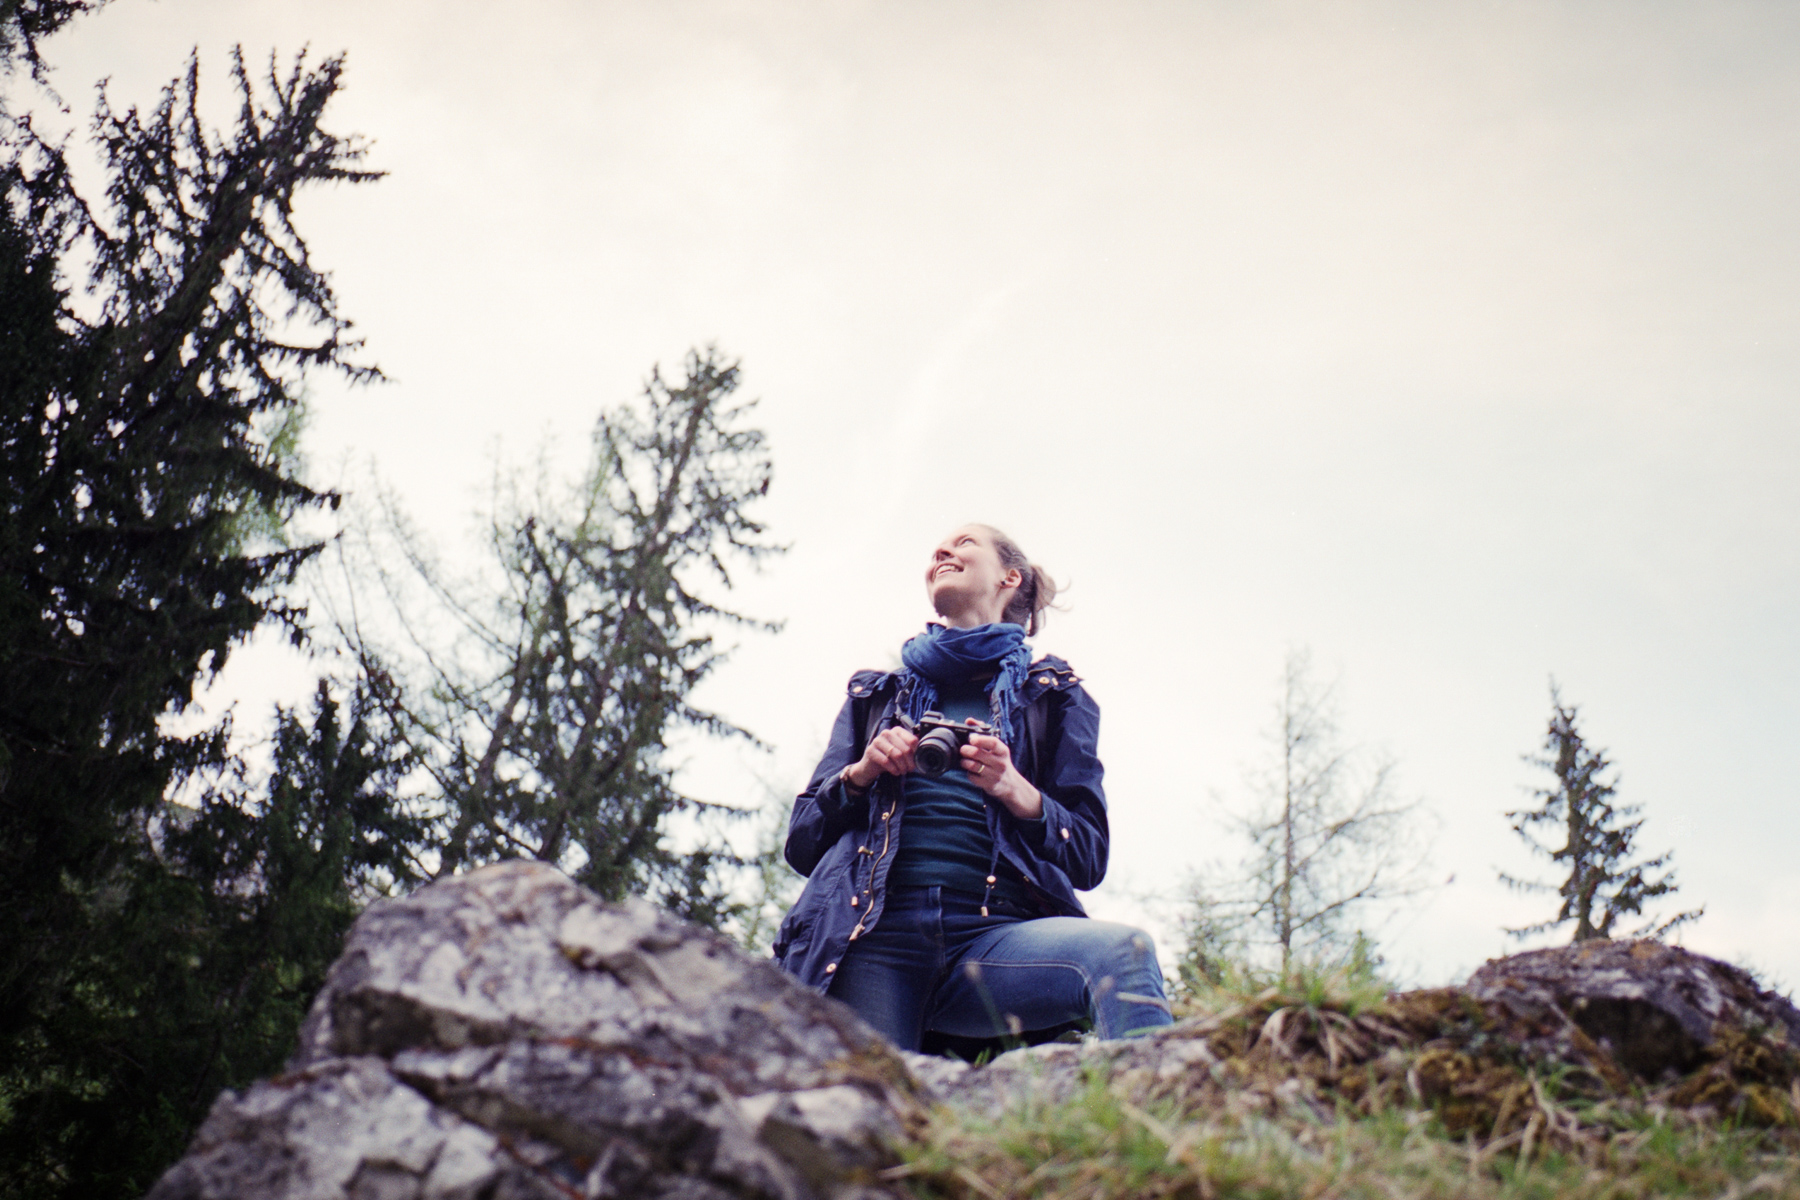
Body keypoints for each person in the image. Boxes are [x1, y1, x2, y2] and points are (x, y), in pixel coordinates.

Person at [773, 524, 1173, 1052]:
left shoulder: (1054, 697)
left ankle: (1169, 1120)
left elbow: (1089, 856)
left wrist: (1015, 788)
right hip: (873, 935)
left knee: (1125, 952)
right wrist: (862, 773)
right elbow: (802, 843)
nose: (941, 550)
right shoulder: (878, 695)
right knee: (880, 1117)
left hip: (994, 937)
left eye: (964, 544)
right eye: (938, 548)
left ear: (1011, 577)